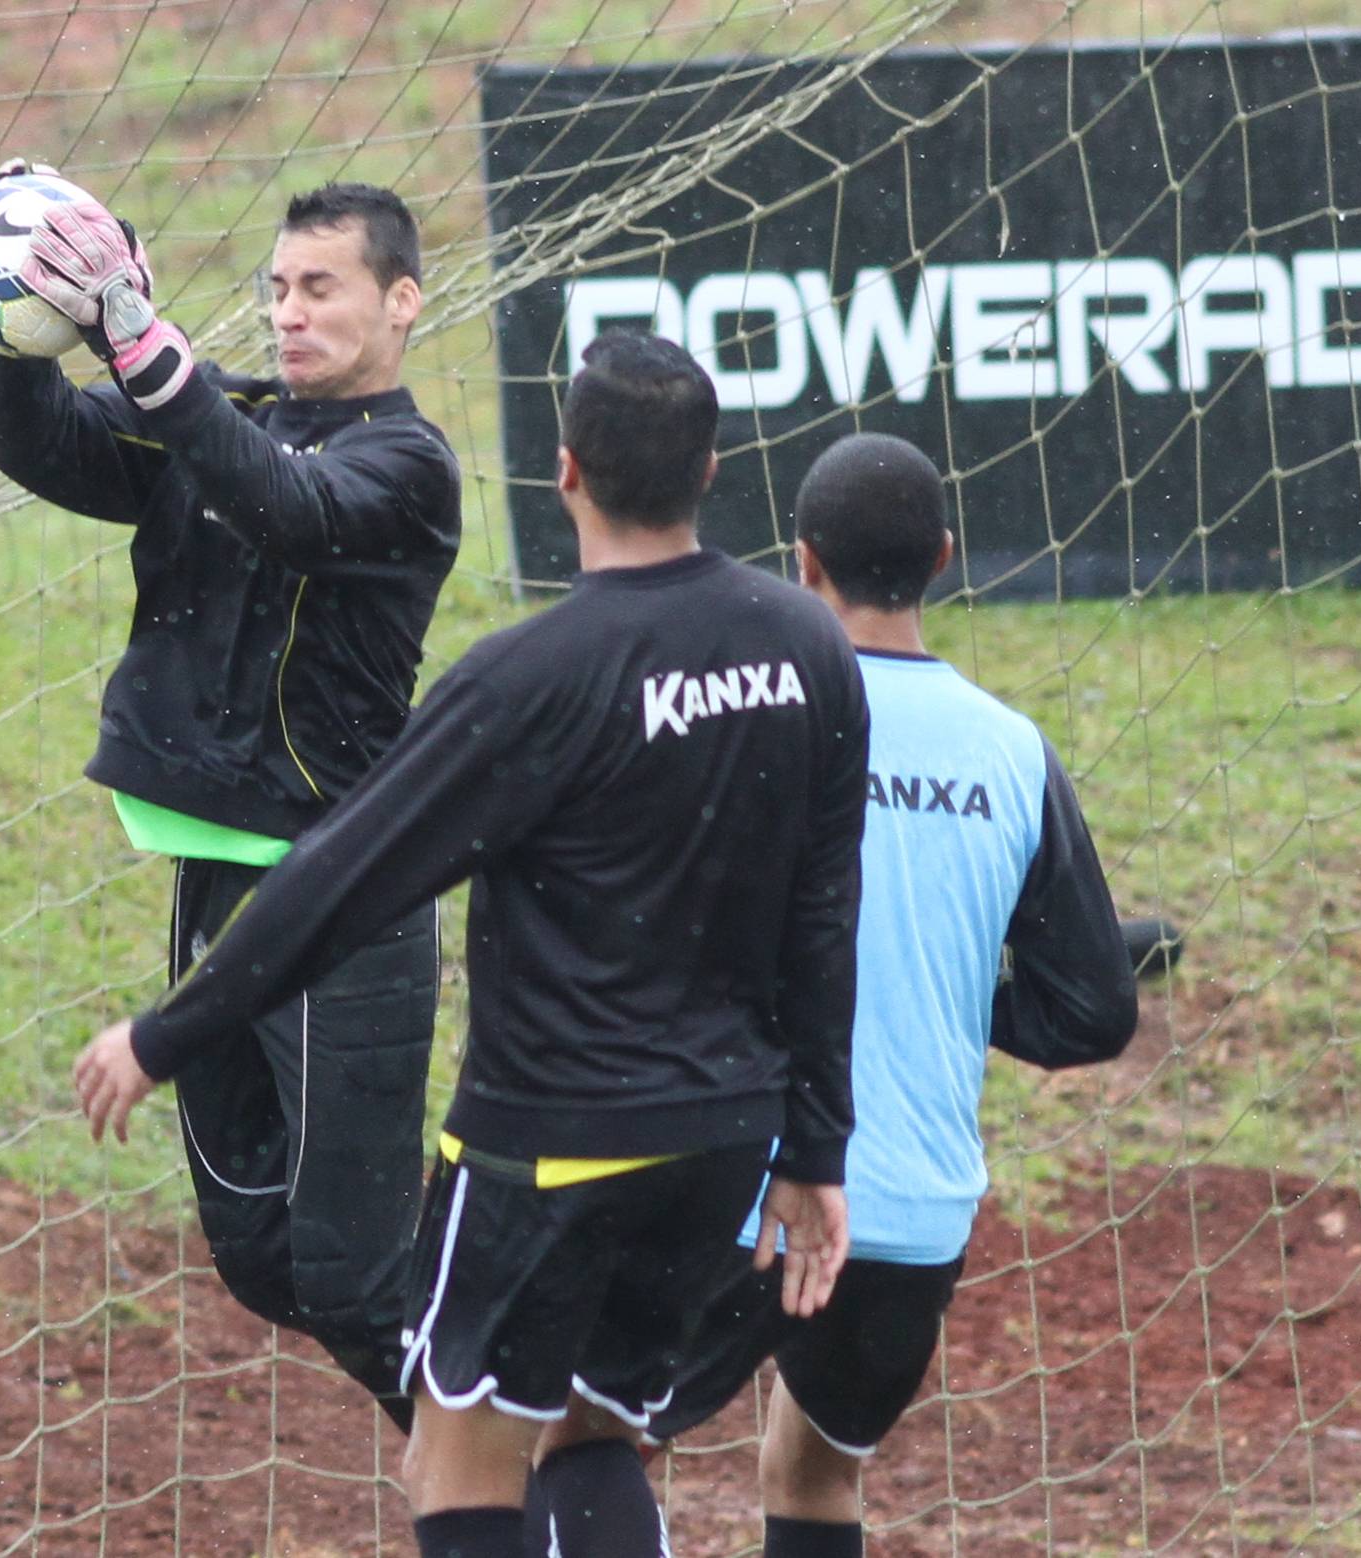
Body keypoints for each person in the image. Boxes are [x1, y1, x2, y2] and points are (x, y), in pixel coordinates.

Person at [72, 330, 870, 1558]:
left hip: (545, 1153)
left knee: (457, 1454)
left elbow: (338, 873)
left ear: (563, 473)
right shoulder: (803, 642)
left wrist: (169, 1031)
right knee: (594, 1435)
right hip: (724, 1138)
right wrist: (815, 1143)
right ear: (710, 468)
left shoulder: (528, 676)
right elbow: (826, 909)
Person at [0, 165, 463, 1426]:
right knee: (258, 1257)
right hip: (219, 875)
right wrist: (19, 327)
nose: (290, 312)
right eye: (278, 287)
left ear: (401, 303)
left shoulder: (408, 466)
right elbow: (36, 439)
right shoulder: (225, 422)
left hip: (346, 897)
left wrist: (140, 336)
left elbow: (287, 508)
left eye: (322, 288)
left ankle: (537, 1477)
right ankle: (496, 1424)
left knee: (354, 1275)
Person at [583, 432, 1140, 1558]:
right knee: (815, 1475)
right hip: (912, 1220)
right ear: (942, 557)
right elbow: (1094, 1011)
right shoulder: (1014, 752)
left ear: (801, 563)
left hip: (747, 1192)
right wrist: (946, 986)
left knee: (581, 1446)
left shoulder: (747, 717)